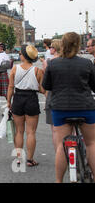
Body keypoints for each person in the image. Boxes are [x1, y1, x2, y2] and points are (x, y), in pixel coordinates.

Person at [42, 32, 95, 183]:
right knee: (91, 143)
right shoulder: (87, 63)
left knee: (61, 145)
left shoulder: (53, 64)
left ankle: (59, 180)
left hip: (61, 109)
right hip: (85, 107)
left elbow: (46, 86)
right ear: (78, 45)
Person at [7, 45, 45, 167]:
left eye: (20, 53)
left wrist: (9, 101)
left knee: (19, 131)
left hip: (18, 99)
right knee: (31, 132)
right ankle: (30, 159)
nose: (19, 55)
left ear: (24, 56)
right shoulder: (38, 71)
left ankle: (19, 158)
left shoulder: (14, 68)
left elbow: (11, 87)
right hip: (32, 99)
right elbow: (43, 89)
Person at [41, 39, 62, 150]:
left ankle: (58, 153)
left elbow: (45, 84)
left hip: (53, 96)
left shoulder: (48, 63)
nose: (49, 49)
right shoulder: (69, 60)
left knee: (55, 129)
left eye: (51, 47)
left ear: (55, 48)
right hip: (68, 97)